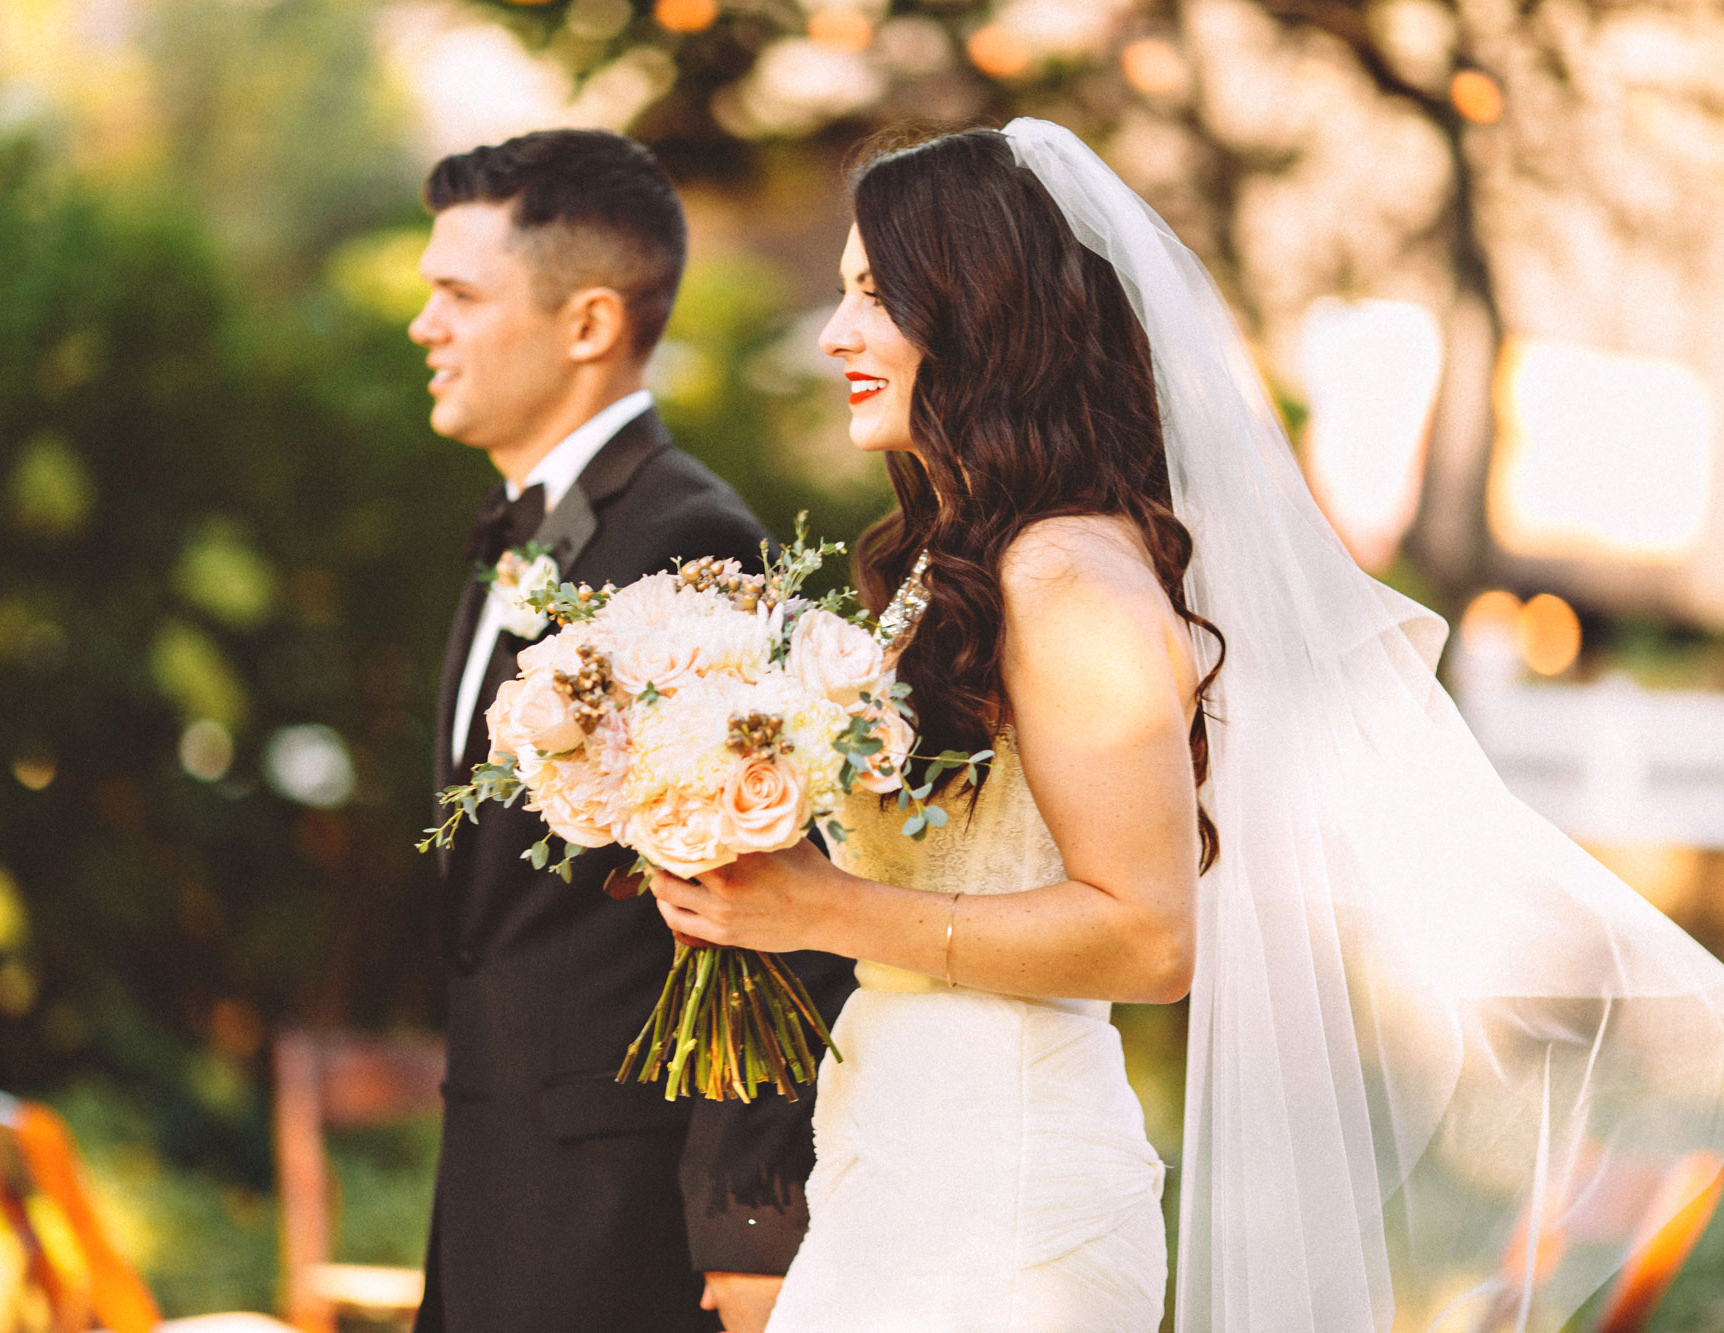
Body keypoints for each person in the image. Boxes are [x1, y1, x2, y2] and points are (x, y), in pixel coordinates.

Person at [651, 120, 1724, 1332]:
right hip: (898, 1144)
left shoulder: (1063, 580)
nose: (837, 331)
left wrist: (822, 907)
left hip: (1001, 1205)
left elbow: (1146, 937)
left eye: (872, 294)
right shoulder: (966, 563)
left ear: (976, 311)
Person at [409, 128, 853, 1333]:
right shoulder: (518, 536)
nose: (423, 326)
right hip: (499, 1185)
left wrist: (750, 1218)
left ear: (588, 324)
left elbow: (777, 913)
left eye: (456, 294)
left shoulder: (685, 541)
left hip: (622, 1220)